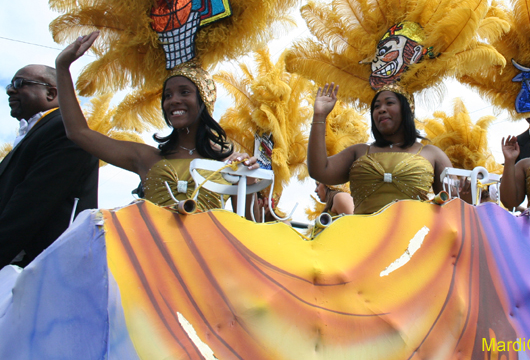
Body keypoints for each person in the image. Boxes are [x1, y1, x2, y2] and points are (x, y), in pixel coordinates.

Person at [55, 32, 259, 212]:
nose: (173, 100)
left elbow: (251, 227)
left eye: (184, 92)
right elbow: (78, 132)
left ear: (204, 100)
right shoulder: (145, 157)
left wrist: (248, 183)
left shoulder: (228, 164)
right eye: (167, 95)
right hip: (152, 253)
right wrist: (62, 68)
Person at [0, 65, 98, 267]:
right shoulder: (34, 132)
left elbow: (31, 204)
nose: (10, 90)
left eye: (19, 83)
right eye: (10, 84)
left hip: (42, 270)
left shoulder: (64, 129)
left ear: (51, 92)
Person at [308, 84, 451, 215]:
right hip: (365, 240)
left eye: (389, 103)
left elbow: (454, 205)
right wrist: (319, 115)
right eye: (376, 107)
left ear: (407, 109)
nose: (381, 109)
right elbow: (319, 170)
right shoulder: (358, 152)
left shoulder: (432, 154)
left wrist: (467, 190)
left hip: (415, 239)